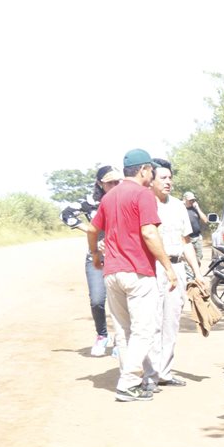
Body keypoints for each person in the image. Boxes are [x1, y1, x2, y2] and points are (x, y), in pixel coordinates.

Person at [89, 149, 177, 402]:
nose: (152, 174)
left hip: (112, 273)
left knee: (124, 330)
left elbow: (93, 230)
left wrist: (95, 254)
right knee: (144, 330)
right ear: (143, 170)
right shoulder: (143, 194)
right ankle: (128, 384)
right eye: (150, 169)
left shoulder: (110, 196)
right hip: (138, 272)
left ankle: (130, 380)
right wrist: (168, 268)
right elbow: (149, 233)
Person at [144, 158, 203, 389]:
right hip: (154, 267)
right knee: (153, 322)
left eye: (170, 178)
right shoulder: (146, 203)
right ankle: (149, 375)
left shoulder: (178, 205)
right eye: (163, 178)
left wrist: (197, 272)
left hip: (177, 268)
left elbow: (186, 241)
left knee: (171, 322)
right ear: (151, 180)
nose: (168, 182)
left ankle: (164, 373)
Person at [60, 165, 122, 356]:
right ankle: (102, 336)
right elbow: (66, 213)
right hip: (95, 257)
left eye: (117, 181)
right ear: (99, 183)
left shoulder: (124, 200)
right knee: (97, 300)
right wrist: (90, 230)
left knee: (120, 302)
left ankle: (120, 341)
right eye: (110, 182)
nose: (114, 185)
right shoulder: (91, 203)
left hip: (120, 258)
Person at [182, 191, 208, 266]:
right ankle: (189, 277)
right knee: (187, 259)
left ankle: (196, 274)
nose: (192, 201)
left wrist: (198, 208)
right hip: (186, 238)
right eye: (190, 200)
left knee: (198, 258)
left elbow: (205, 220)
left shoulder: (195, 209)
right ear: (184, 199)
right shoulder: (181, 209)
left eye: (193, 200)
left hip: (197, 238)